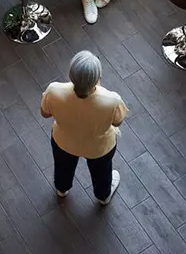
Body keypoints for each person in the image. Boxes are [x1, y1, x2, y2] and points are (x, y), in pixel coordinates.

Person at [41, 50, 128, 205]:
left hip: (63, 142)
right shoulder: (112, 100)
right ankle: (103, 196)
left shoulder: (54, 90)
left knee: (62, 166)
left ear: (70, 74)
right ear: (98, 78)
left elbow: (45, 113)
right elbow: (117, 122)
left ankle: (62, 188)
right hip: (99, 148)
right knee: (102, 172)